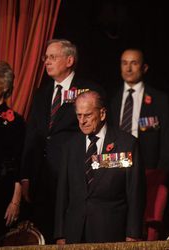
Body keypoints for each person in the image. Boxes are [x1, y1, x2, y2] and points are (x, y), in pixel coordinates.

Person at [20, 39, 104, 243]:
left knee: (69, 232)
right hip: (42, 177)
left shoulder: (88, 91)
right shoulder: (42, 93)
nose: (47, 62)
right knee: (45, 231)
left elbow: (94, 134)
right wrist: (25, 176)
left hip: (73, 172)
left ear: (69, 60)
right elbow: (32, 136)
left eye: (52, 57)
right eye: (45, 57)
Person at [54, 90, 145, 244]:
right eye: (79, 115)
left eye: (88, 115)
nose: (82, 121)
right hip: (74, 232)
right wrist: (60, 233)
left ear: (102, 114)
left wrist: (133, 233)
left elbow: (135, 192)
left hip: (110, 231)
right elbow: (62, 192)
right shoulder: (70, 146)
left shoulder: (126, 144)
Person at [110, 48, 169, 186]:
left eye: (134, 63)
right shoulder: (111, 98)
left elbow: (166, 138)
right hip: (115, 165)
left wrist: (162, 171)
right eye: (124, 63)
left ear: (144, 68)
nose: (128, 68)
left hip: (146, 166)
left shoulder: (159, 99)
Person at [0, 61, 25, 246]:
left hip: (1, 193)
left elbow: (19, 163)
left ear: (5, 86)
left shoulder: (15, 121)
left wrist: (15, 201)